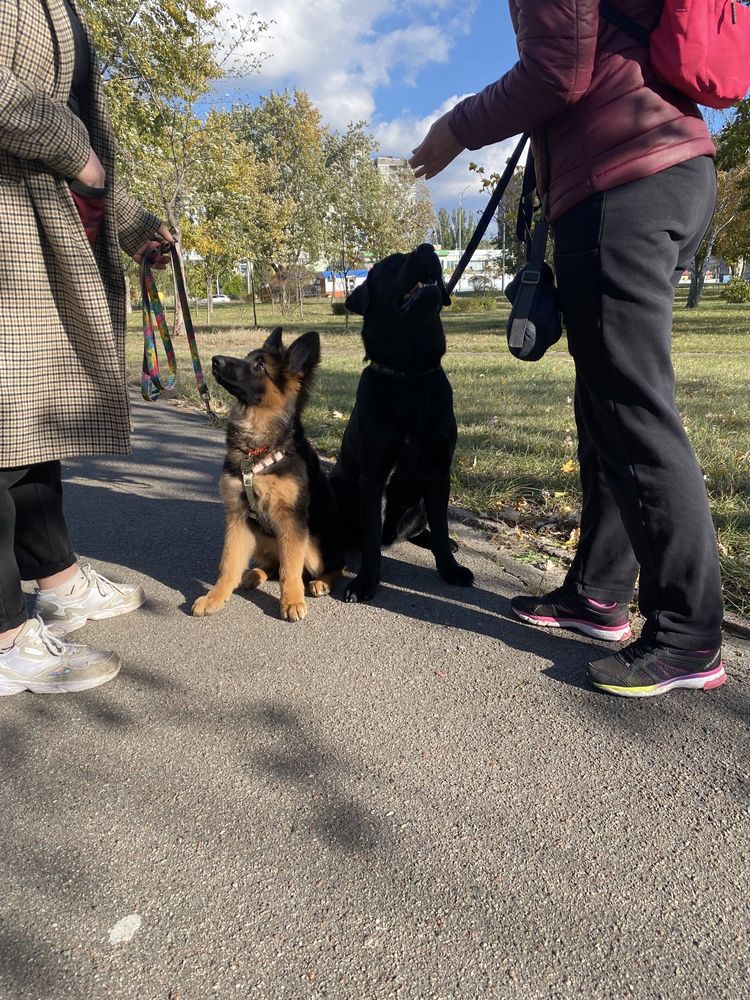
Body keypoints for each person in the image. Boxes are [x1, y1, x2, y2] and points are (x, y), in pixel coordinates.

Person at [409, 0, 727, 698]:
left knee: (632, 406)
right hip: (655, 165)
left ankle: (688, 636)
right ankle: (599, 594)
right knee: (607, 403)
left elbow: (557, 73)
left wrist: (457, 125)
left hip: (626, 179)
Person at [0, 0, 174, 695]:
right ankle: (6, 635)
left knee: (34, 410)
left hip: (35, 216)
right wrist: (77, 154)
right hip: (10, 226)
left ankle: (57, 577)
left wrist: (132, 224)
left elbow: (84, 152)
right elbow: (72, 145)